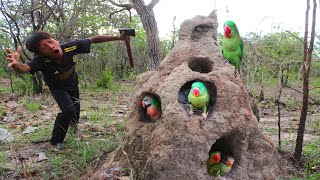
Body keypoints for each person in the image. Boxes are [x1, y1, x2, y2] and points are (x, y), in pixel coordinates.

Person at [6, 31, 128, 151]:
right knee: (68, 110)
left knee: (76, 110)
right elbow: (23, 68)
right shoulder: (41, 61)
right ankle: (56, 141)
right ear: (40, 53)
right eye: (44, 47)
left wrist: (119, 37)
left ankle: (73, 129)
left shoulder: (71, 47)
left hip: (73, 84)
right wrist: (16, 64)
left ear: (55, 39)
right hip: (57, 88)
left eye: (50, 41)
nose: (51, 46)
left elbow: (94, 39)